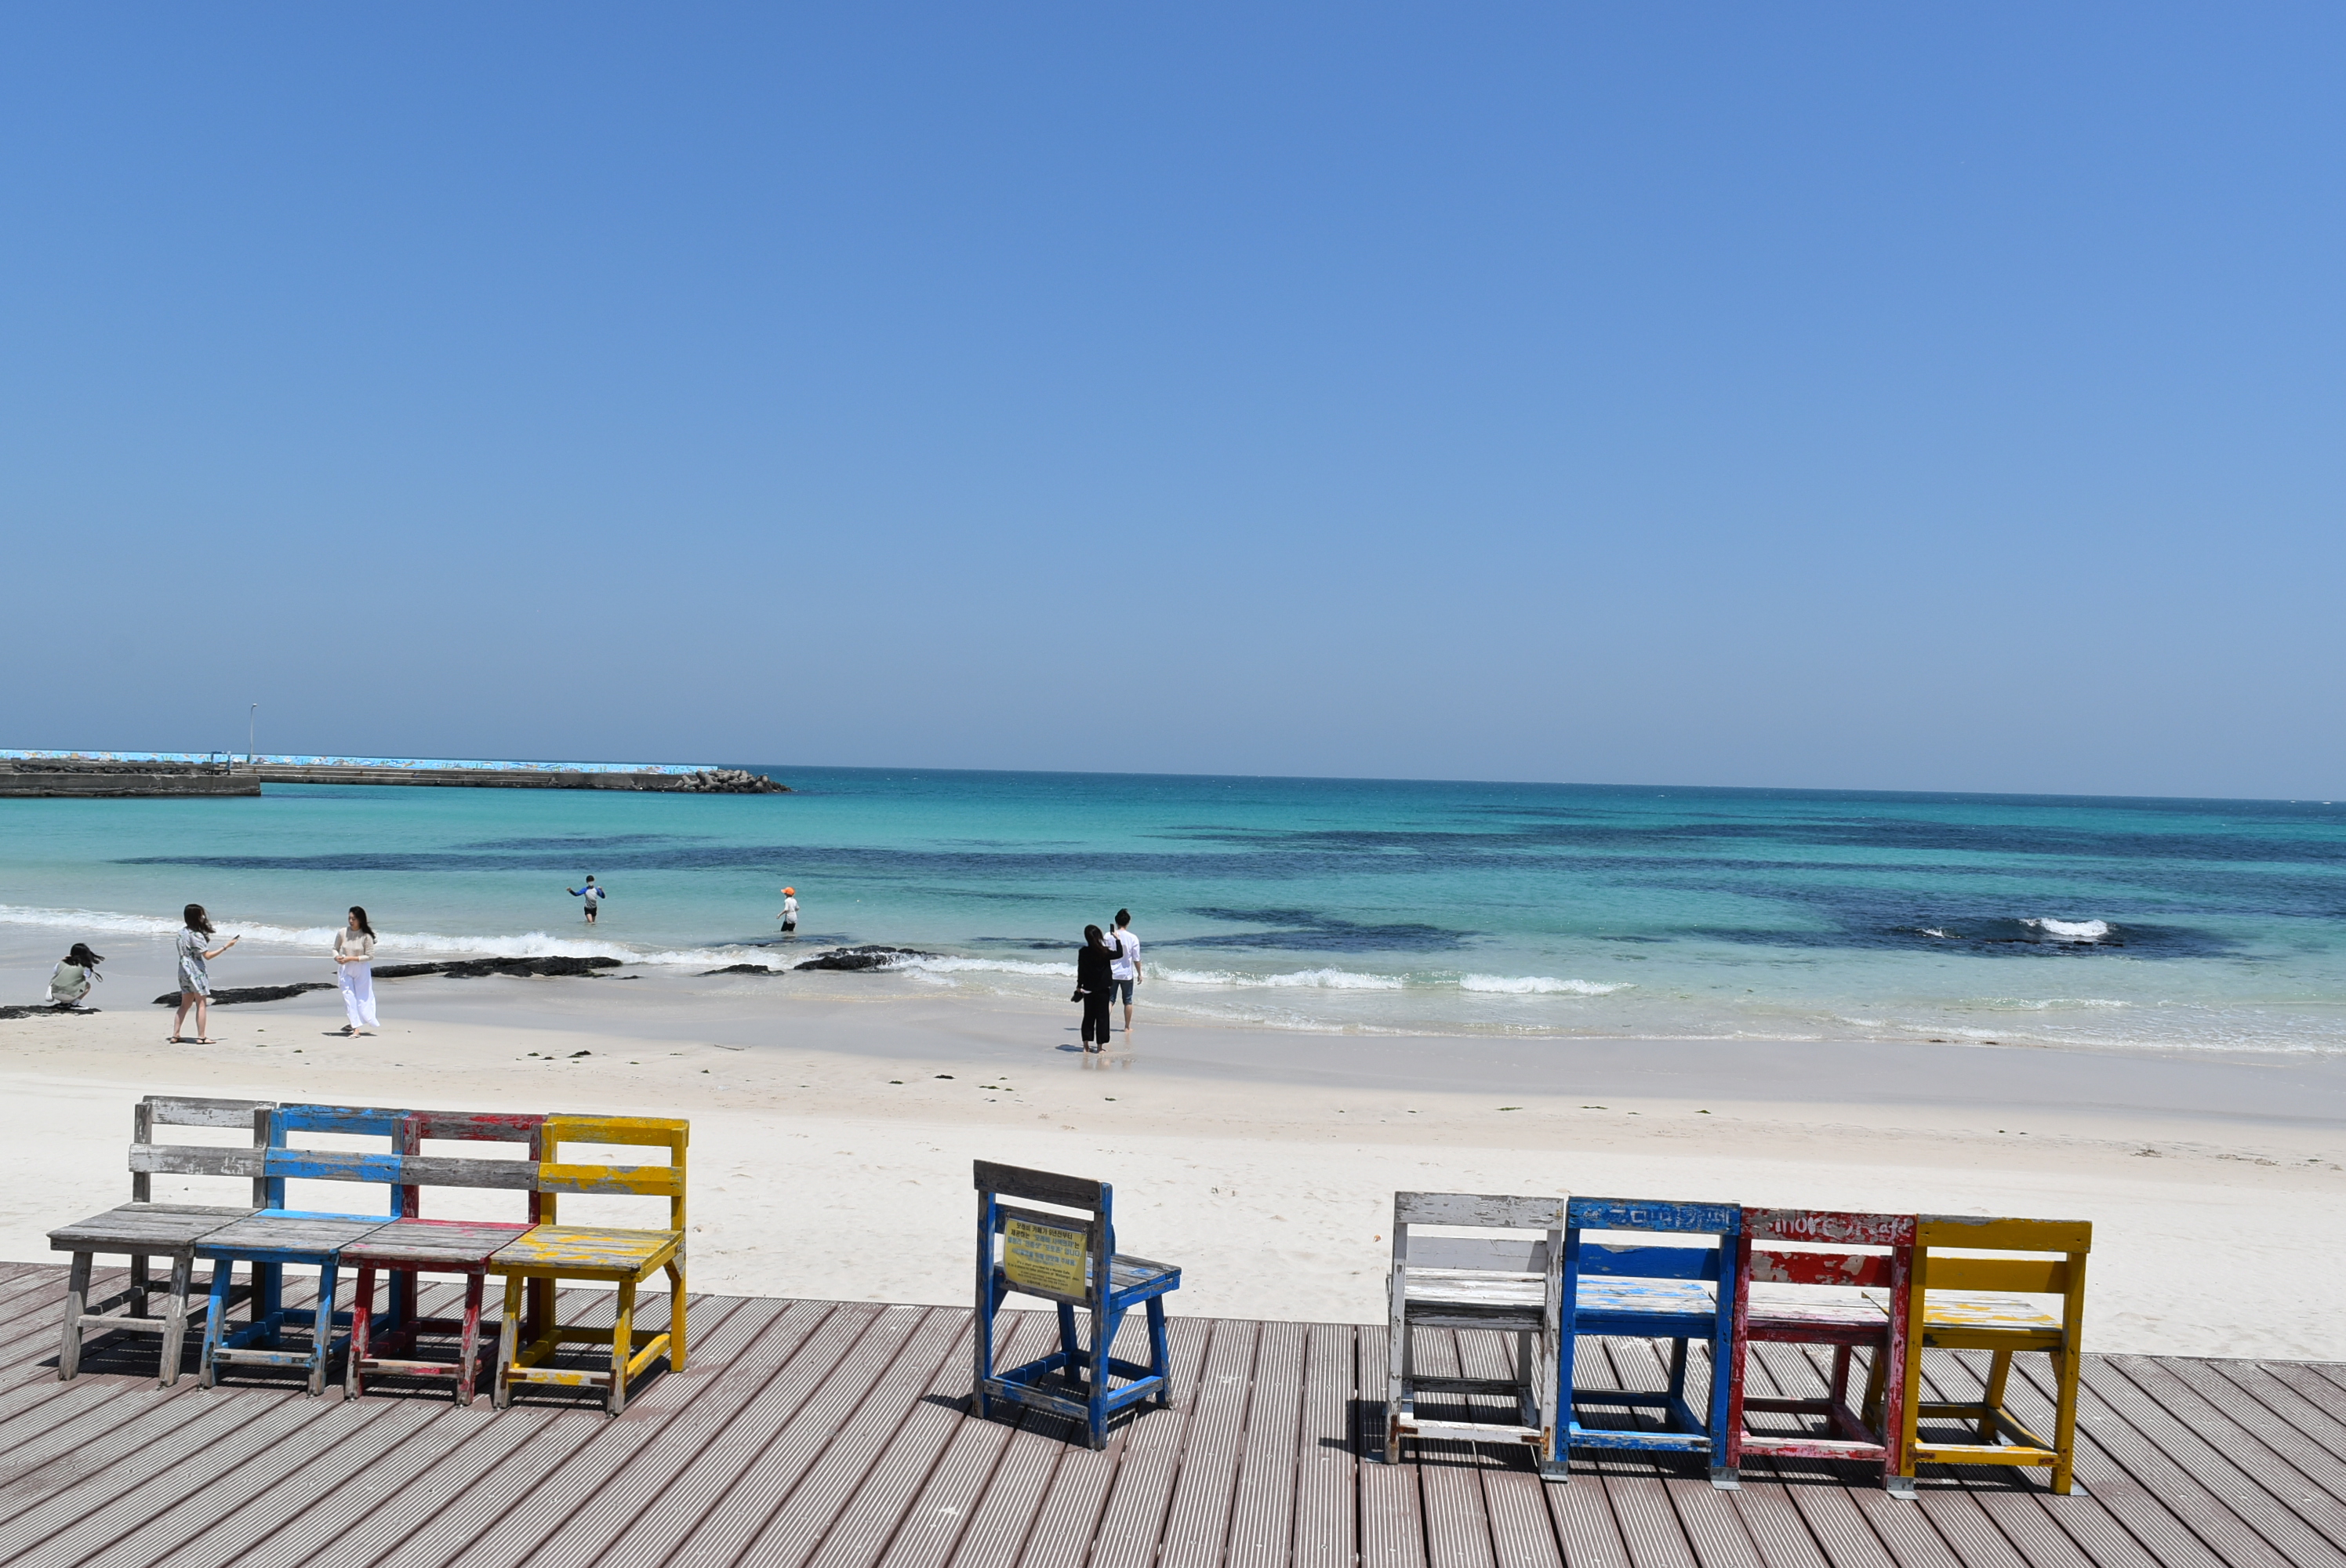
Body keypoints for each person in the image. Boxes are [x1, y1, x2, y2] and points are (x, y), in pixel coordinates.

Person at [171, 905, 239, 1044]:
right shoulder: (197, 935)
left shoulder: (181, 932)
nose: (203, 917)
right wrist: (226, 946)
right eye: (201, 915)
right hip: (196, 970)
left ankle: (175, 1035)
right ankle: (201, 1037)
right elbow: (207, 956)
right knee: (201, 1004)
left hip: (183, 969)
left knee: (184, 1005)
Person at [333, 906, 379, 1035]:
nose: (351, 921)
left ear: (360, 919)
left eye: (354, 919)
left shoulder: (366, 936)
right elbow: (335, 949)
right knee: (349, 997)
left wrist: (351, 958)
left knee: (363, 999)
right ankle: (356, 1028)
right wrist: (336, 957)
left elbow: (370, 956)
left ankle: (359, 1022)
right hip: (345, 969)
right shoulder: (342, 932)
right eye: (349, 918)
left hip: (361, 969)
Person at [1073, 924, 1117, 1052]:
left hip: (1088, 988)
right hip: (1103, 989)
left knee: (1088, 1016)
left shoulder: (1083, 952)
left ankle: (1086, 1047)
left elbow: (1081, 970)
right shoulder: (1104, 951)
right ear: (1098, 936)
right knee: (1102, 1017)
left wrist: (1079, 986)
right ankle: (1099, 1047)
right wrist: (1117, 939)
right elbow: (1120, 953)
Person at [1108, 908, 1142, 1034]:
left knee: (1110, 1000)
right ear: (1128, 922)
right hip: (1126, 974)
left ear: (1116, 922)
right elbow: (1136, 959)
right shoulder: (1133, 938)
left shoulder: (1108, 936)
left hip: (1111, 973)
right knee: (1128, 1000)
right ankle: (1127, 1027)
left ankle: (1104, 1024)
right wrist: (1140, 974)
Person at [47, 943, 104, 1009]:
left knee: (64, 981)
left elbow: (55, 972)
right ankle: (74, 1004)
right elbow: (88, 975)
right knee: (87, 985)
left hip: (55, 993)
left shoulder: (61, 962)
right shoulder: (84, 965)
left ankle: (63, 1003)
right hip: (70, 995)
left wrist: (63, 961)